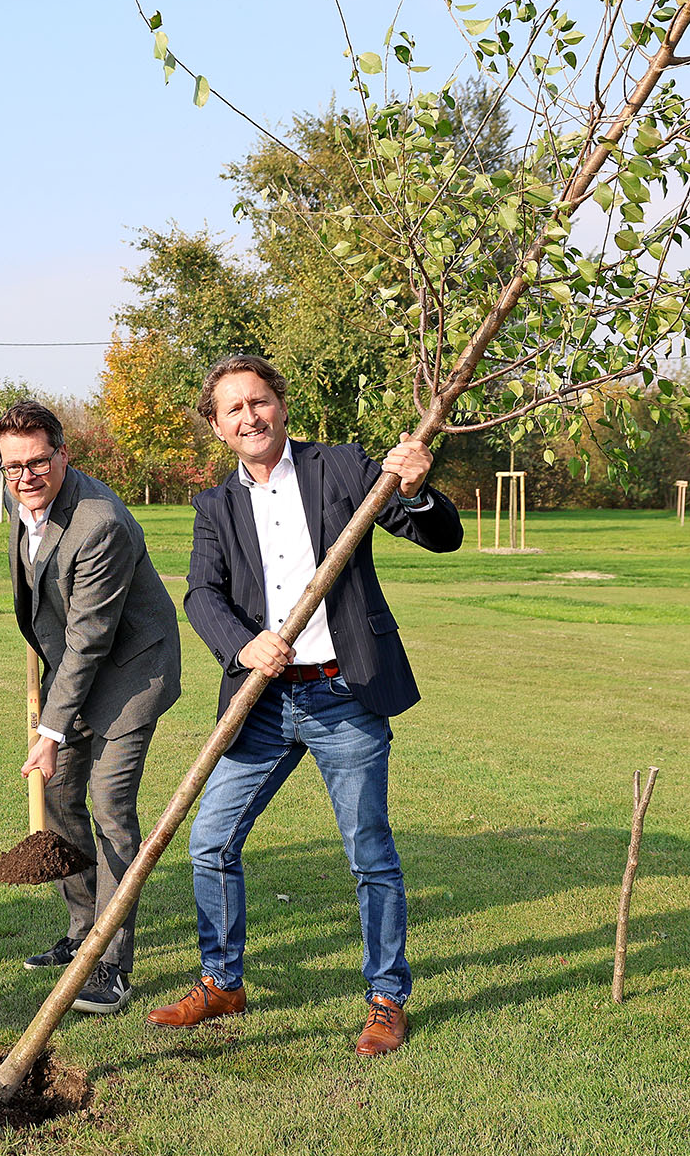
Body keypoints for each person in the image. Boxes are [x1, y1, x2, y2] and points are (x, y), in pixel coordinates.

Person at [148, 354, 461, 1055]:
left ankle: (386, 997)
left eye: (259, 401)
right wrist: (244, 645)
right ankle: (222, 982)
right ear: (217, 427)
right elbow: (201, 595)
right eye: (233, 409)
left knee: (369, 853)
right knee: (210, 842)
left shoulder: (343, 467)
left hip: (343, 692)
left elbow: (439, 534)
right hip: (261, 701)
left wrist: (414, 489)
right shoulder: (214, 507)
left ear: (282, 406)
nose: (250, 416)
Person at [0, 400, 182, 1014]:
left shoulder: (100, 522)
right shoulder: (23, 504)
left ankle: (112, 965)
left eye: (38, 461)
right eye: (13, 465)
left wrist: (50, 728)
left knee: (108, 802)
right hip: (74, 669)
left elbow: (91, 637)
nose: (26, 475)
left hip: (130, 674)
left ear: (63, 455)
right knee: (56, 799)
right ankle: (82, 931)